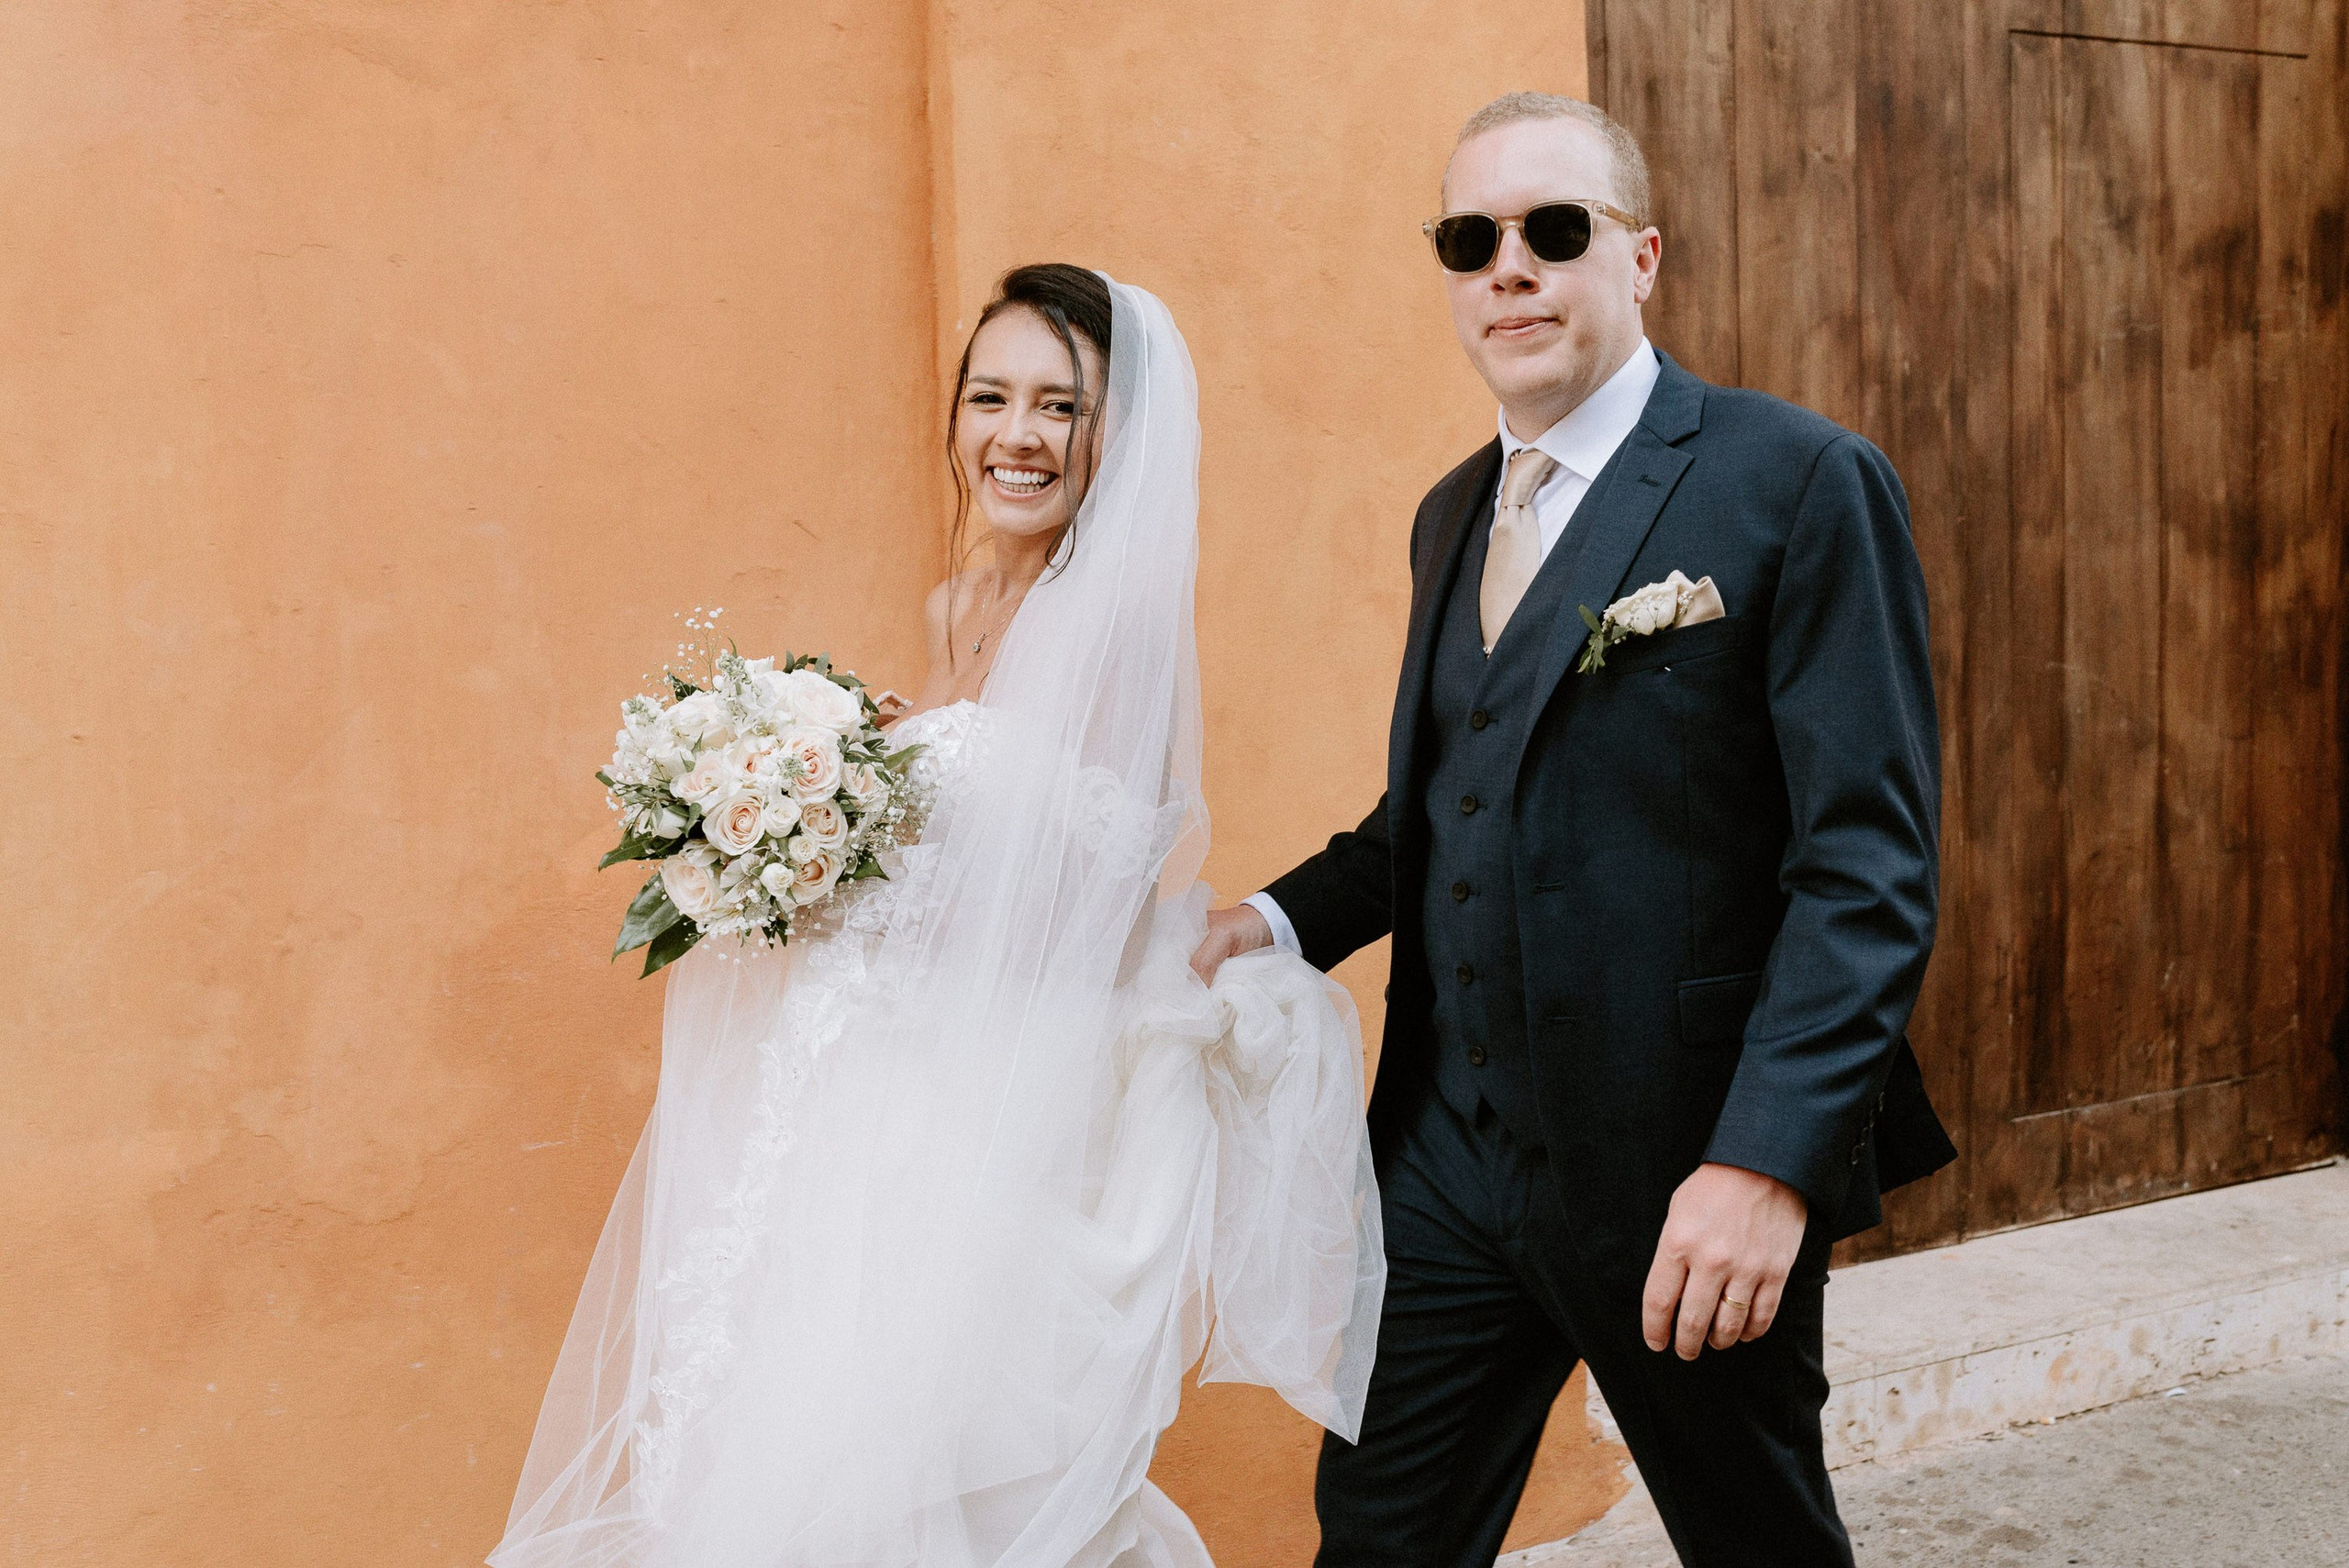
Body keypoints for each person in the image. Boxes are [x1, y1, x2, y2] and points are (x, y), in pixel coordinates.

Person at [492, 267, 1385, 1568]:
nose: (1019, 435)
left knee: (924, 1471)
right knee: (783, 1440)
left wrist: (863, 845)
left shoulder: (1117, 631)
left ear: (1117, 435)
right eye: (991, 397)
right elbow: (955, 833)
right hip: (851, 1085)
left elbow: (1081, 913)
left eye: (1061, 406)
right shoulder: (955, 605)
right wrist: (799, 828)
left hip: (987, 1106)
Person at [1190, 94, 1954, 1567]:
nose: (1510, 269)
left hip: (1685, 1168)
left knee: (1756, 1544)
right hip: (1446, 1164)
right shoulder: (1449, 515)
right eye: (1470, 240)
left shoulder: (1796, 478)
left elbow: (1867, 867)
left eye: (1554, 228)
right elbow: (1446, 806)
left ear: (1640, 255)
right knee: (1379, 1539)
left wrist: (1767, 1162)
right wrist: (1268, 922)